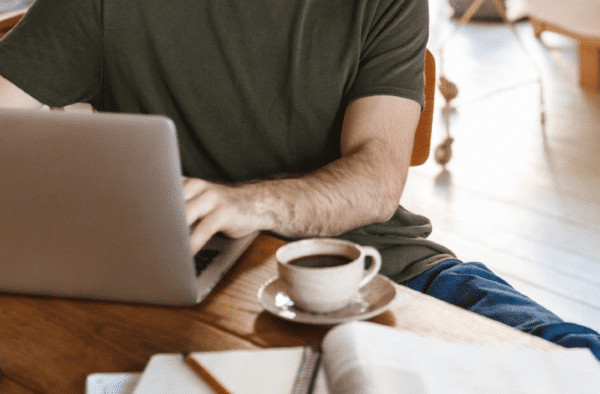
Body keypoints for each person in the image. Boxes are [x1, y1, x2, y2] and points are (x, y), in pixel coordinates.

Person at [1, 0, 598, 360]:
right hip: (181, 282)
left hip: (382, 269)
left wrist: (250, 203)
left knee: (578, 362)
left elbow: (377, 175)